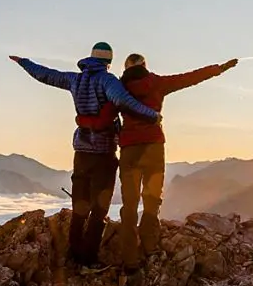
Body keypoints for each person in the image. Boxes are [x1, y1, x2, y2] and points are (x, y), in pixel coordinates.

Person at [10, 42, 163, 270]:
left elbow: (46, 75)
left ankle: (73, 253)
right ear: (108, 62)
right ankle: (88, 258)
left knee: (80, 206)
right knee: (99, 210)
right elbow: (123, 101)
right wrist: (152, 116)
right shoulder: (107, 81)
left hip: (81, 151)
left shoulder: (75, 79)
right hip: (103, 152)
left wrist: (24, 62)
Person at [117, 53, 238, 286]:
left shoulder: (119, 87)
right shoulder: (157, 83)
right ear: (144, 65)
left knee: (129, 204)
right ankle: (150, 249)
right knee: (152, 200)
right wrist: (218, 68)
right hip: (153, 148)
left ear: (126, 67)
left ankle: (130, 261)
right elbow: (189, 78)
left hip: (130, 149)